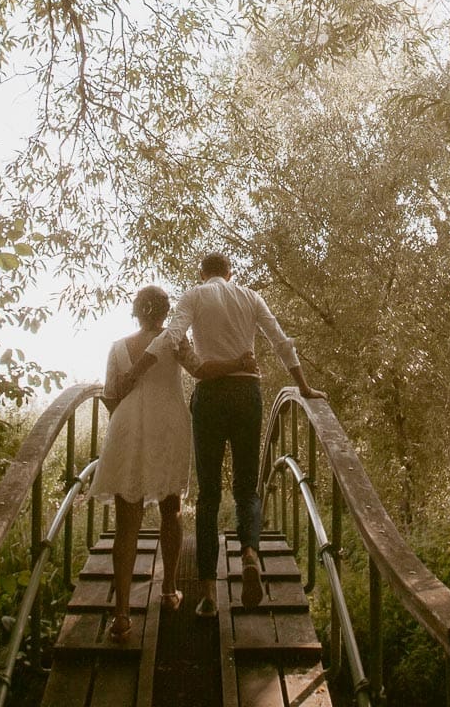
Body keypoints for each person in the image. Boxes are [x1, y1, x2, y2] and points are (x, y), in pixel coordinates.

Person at [158, 253, 324, 618]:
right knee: (247, 487)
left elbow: (172, 337)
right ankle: (249, 552)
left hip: (212, 393)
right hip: (248, 393)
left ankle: (208, 596)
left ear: (202, 273)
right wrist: (304, 386)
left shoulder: (195, 294)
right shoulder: (250, 296)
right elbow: (281, 341)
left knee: (209, 494)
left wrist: (197, 367)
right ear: (231, 273)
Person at [89, 285, 244, 643]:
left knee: (127, 522)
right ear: (166, 311)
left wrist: (128, 418)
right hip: (168, 427)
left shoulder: (117, 348)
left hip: (127, 428)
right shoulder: (176, 341)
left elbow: (110, 396)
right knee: (170, 508)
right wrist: (237, 364)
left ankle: (122, 614)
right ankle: (170, 589)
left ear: (135, 312)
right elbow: (201, 370)